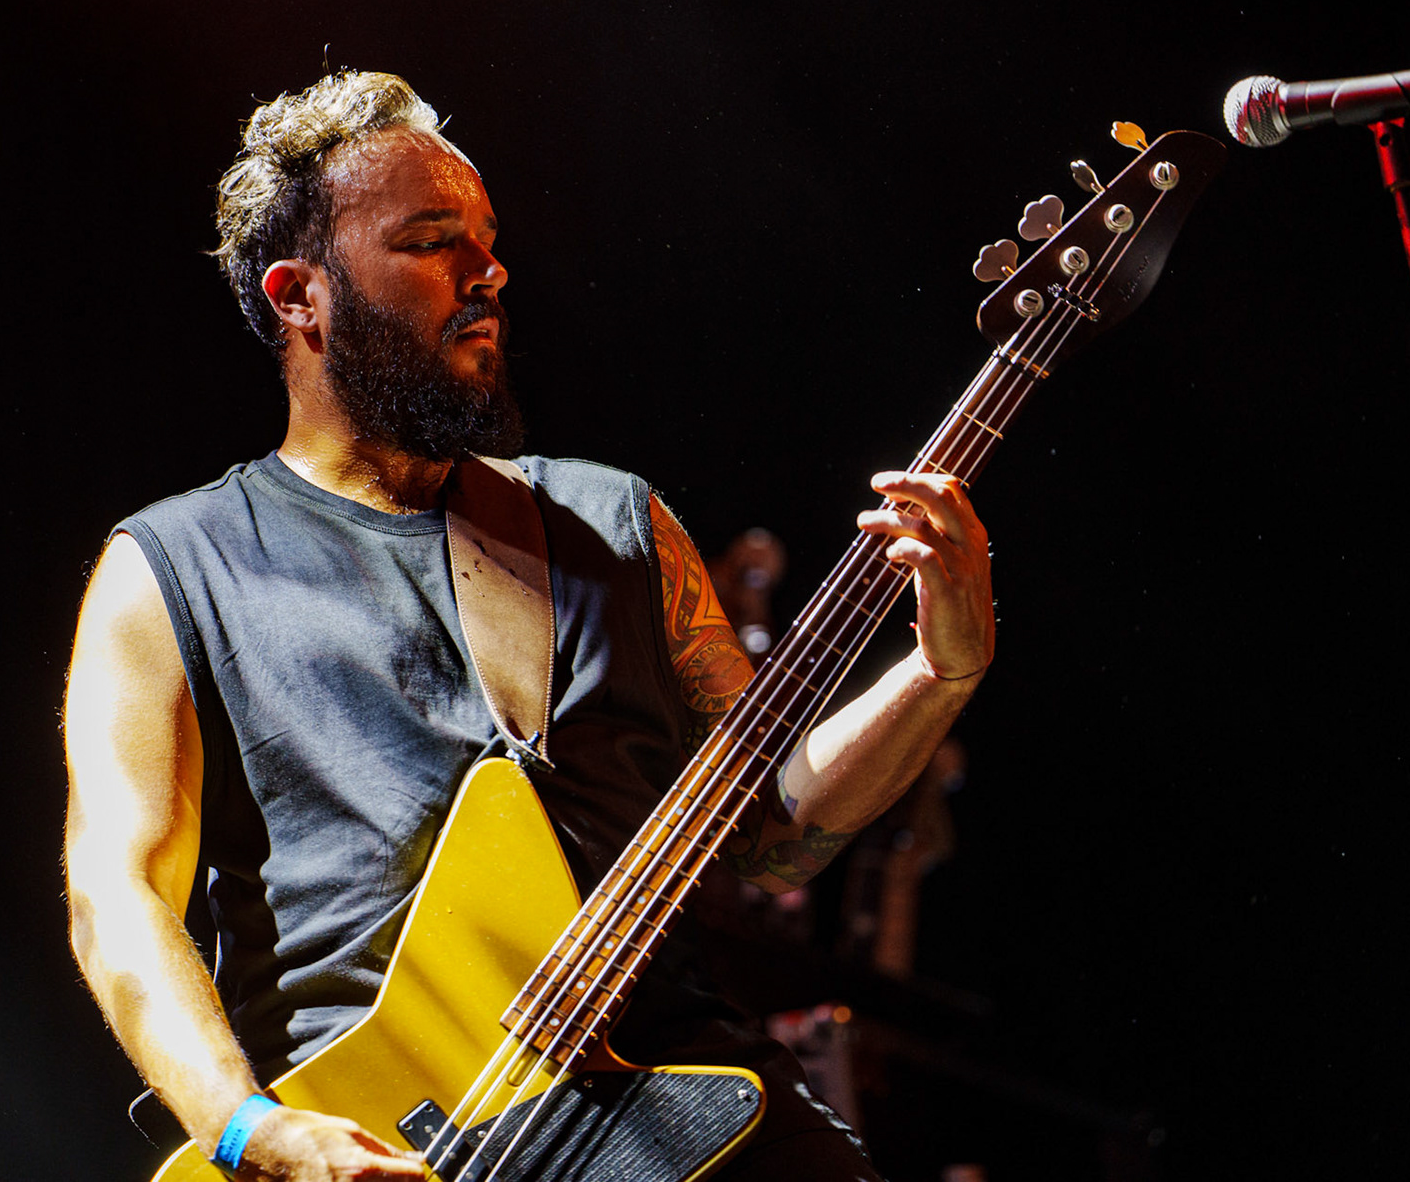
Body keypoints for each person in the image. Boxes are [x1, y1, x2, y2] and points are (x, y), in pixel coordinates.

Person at [62, 70, 994, 1182]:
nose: (487, 270)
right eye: (430, 241)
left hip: (676, 1090)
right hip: (391, 1136)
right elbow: (116, 894)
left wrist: (938, 672)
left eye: (488, 241)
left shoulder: (616, 522)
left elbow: (766, 833)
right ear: (300, 295)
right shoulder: (172, 567)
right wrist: (249, 1129)